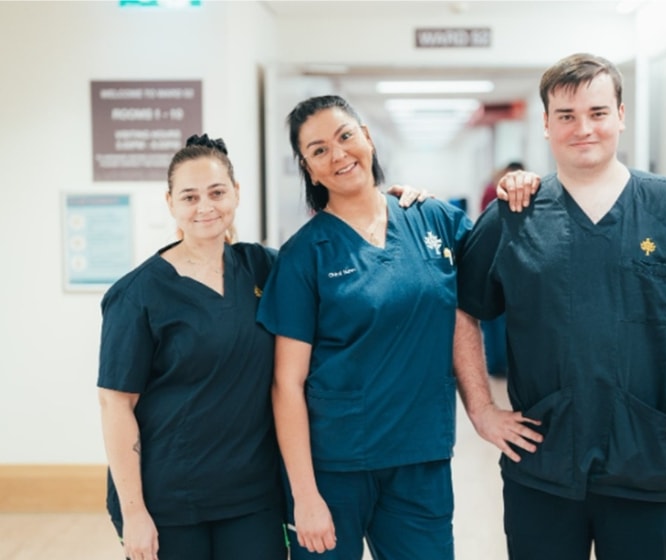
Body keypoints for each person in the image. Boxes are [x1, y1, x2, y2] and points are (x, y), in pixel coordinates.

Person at [453, 53, 666, 560]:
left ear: (621, 116)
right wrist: (480, 410)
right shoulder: (514, 217)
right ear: (545, 125)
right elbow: (463, 305)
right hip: (542, 464)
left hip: (646, 462)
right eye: (566, 116)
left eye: (597, 112)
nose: (583, 128)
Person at [255, 94, 539, 560]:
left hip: (420, 458)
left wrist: (518, 189)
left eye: (346, 136)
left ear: (367, 137)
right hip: (333, 467)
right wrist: (305, 496)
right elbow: (287, 383)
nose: (339, 154)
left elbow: (475, 300)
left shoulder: (432, 219)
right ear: (308, 168)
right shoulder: (305, 254)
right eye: (319, 150)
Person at [97, 134, 288, 560]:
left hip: (251, 496)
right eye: (190, 197)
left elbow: (326, 263)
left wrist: (392, 205)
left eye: (217, 192)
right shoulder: (138, 295)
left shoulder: (262, 266)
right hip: (169, 498)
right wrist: (135, 514)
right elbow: (115, 406)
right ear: (170, 203)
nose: (205, 207)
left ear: (236, 193)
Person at [479, 161, 525, 378]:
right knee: (494, 316)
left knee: (498, 317)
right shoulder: (494, 192)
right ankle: (497, 364)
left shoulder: (500, 190)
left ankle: (499, 364)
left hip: (505, 258)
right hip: (497, 257)